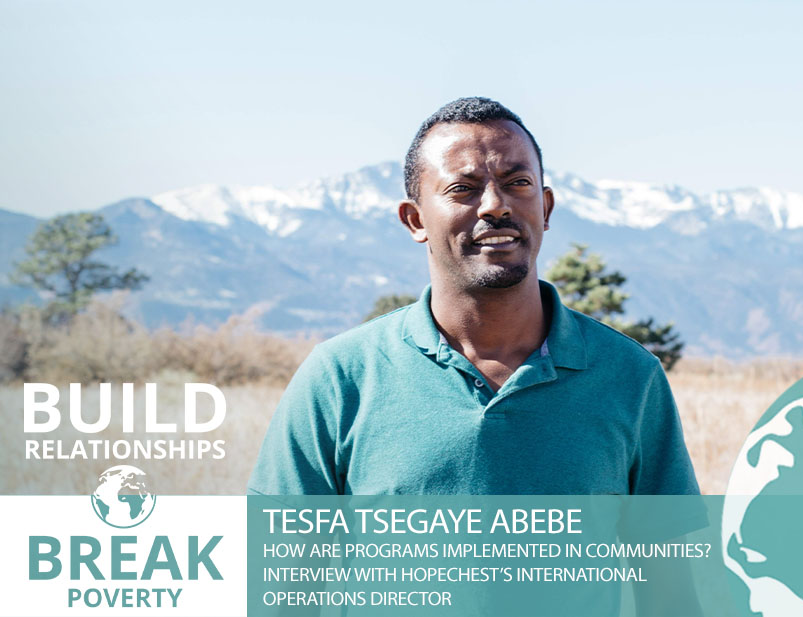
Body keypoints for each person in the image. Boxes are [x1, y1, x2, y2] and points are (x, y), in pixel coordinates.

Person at [248, 97, 701, 500]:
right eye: (462, 189)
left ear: (545, 208)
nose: (494, 206)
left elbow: (671, 587)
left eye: (517, 182)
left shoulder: (629, 376)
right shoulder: (341, 377)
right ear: (414, 219)